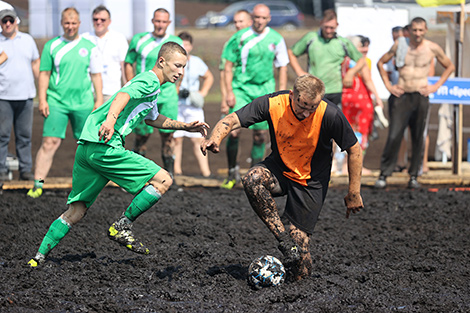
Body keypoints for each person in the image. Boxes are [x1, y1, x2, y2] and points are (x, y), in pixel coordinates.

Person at [28, 42, 209, 267]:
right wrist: (111, 120)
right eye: (178, 66)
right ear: (162, 62)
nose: (181, 72)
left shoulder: (152, 88)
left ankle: (38, 258)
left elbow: (153, 118)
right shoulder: (150, 80)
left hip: (88, 146)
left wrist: (184, 126)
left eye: (184, 67)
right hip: (106, 145)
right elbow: (123, 94)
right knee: (164, 180)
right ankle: (122, 226)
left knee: (76, 210)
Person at [201, 74, 364, 280]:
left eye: (311, 108)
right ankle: (282, 239)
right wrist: (215, 138)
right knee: (252, 179)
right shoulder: (273, 103)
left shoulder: (330, 114)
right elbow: (232, 119)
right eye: (302, 105)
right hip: (280, 168)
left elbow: (354, 150)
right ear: (292, 95)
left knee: (300, 255)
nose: (306, 113)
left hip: (311, 180)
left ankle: (299, 283)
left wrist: (354, 192)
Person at [27, 7, 103, 198]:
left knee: (87, 144)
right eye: (67, 23)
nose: (70, 27)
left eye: (74, 23)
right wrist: (42, 99)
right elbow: (44, 74)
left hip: (83, 103)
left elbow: (96, 75)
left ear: (79, 24)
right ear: (62, 23)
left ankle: (87, 185)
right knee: (49, 142)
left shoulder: (90, 47)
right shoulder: (51, 46)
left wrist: (99, 99)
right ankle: (38, 184)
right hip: (57, 101)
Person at [375, 17, 454, 189]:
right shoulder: (400, 45)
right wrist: (388, 86)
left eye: (420, 30)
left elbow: (449, 66)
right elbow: (380, 63)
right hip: (401, 94)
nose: (417, 33)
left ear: (425, 30)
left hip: (420, 94)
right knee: (395, 135)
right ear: (409, 30)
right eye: (415, 30)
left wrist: (436, 86)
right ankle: (384, 174)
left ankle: (413, 176)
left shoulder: (432, 47)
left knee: (418, 136)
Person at [287, 9, 365, 175]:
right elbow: (291, 52)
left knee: (331, 129)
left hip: (334, 90)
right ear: (321, 24)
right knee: (307, 127)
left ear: (337, 26)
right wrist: (300, 72)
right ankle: (303, 163)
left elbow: (361, 59)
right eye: (326, 27)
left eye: (332, 27)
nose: (329, 31)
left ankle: (328, 166)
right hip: (312, 93)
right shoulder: (311, 39)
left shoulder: (343, 42)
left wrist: (351, 72)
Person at [221, 4, 289, 189]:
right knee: (233, 131)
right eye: (257, 17)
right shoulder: (239, 37)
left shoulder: (276, 38)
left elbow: (282, 66)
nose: (259, 21)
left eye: (263, 18)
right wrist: (228, 92)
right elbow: (227, 65)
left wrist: (282, 92)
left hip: (264, 91)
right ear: (252, 18)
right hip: (241, 89)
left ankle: (253, 176)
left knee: (260, 135)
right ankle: (231, 172)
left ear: (268, 19)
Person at [125, 8, 183, 178]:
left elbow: (181, 65)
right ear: (152, 21)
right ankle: (136, 176)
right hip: (145, 95)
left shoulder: (175, 41)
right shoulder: (139, 40)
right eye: (157, 21)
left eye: (164, 22)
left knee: (168, 136)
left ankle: (170, 177)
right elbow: (129, 63)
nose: (160, 25)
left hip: (167, 95)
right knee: (142, 136)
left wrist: (177, 87)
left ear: (169, 23)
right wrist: (131, 84)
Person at [0, 9, 39, 181]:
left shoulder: (28, 40)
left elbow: (35, 62)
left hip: (26, 96)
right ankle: (1, 170)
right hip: (4, 96)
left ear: (16, 21)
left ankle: (25, 170)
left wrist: (42, 87)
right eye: (4, 21)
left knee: (24, 136)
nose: (7, 24)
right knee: (2, 136)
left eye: (10, 20)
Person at [341, 35, 384, 175]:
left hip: (344, 98)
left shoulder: (343, 61)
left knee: (344, 131)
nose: (365, 49)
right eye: (362, 46)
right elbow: (368, 80)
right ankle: (355, 166)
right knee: (361, 132)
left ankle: (341, 165)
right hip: (360, 99)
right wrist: (377, 97)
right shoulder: (362, 61)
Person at [173, 31, 214, 177]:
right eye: (181, 44)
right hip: (177, 104)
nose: (184, 47)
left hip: (193, 105)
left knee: (198, 139)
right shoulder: (172, 63)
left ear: (191, 46)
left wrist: (201, 93)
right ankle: (176, 171)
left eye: (187, 44)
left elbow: (209, 77)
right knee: (176, 139)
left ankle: (206, 173)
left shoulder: (196, 62)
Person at [82, 5, 129, 102]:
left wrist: (127, 89)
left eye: (102, 20)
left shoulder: (119, 38)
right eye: (96, 19)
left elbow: (123, 65)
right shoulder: (84, 38)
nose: (99, 22)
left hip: (111, 92)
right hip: (88, 92)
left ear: (109, 21)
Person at [219, 10, 252, 117]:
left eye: (241, 21)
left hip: (256, 90)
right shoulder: (230, 44)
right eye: (235, 22)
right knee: (231, 128)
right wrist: (225, 98)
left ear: (250, 22)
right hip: (236, 90)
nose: (237, 25)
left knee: (260, 130)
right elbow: (223, 73)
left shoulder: (259, 42)